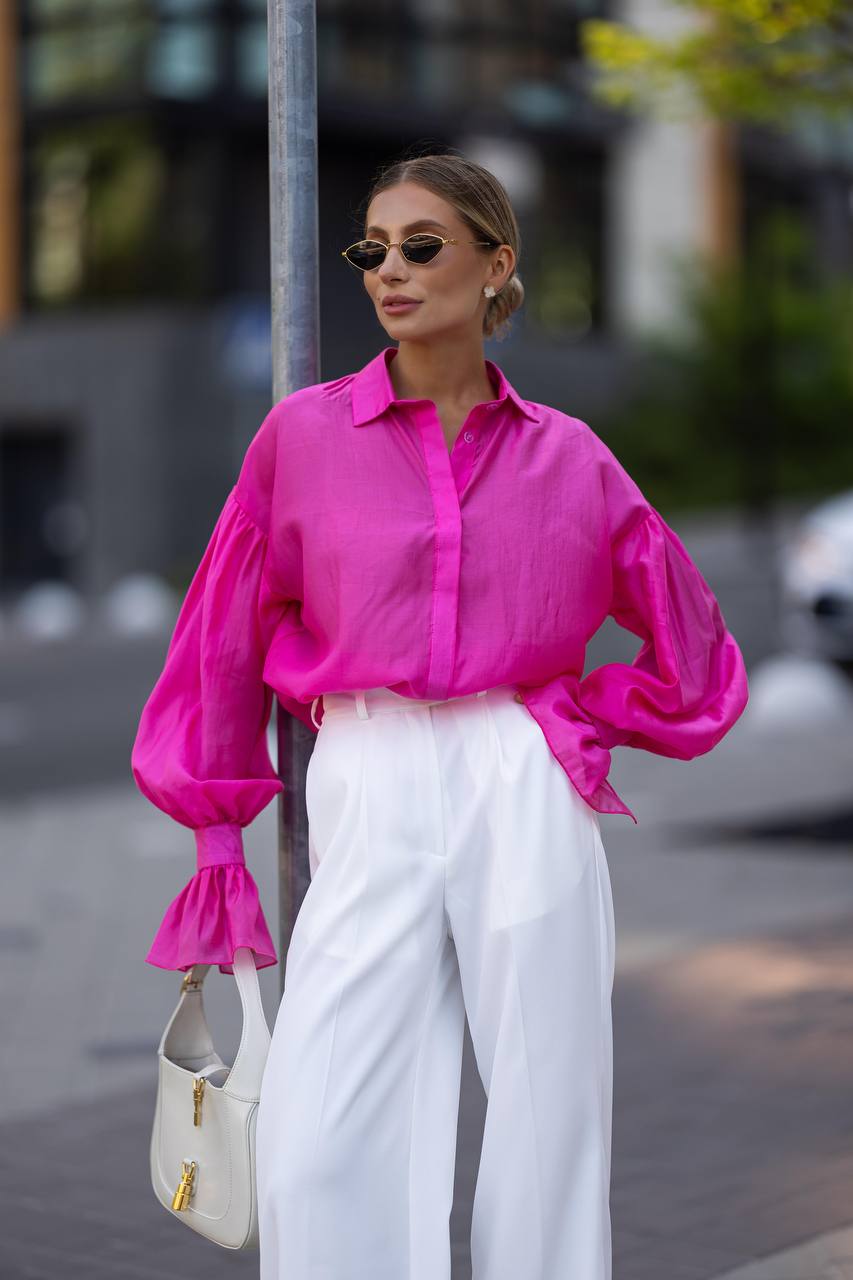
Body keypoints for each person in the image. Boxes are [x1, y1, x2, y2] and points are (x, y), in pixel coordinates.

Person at [131, 151, 749, 1280]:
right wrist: (217, 831)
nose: (390, 271)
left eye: (421, 246)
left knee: (549, 1104)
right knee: (319, 1130)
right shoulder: (302, 438)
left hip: (520, 769)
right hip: (366, 768)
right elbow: (219, 636)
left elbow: (693, 650)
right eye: (371, 250)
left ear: (495, 263)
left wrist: (578, 713)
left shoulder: (569, 456)